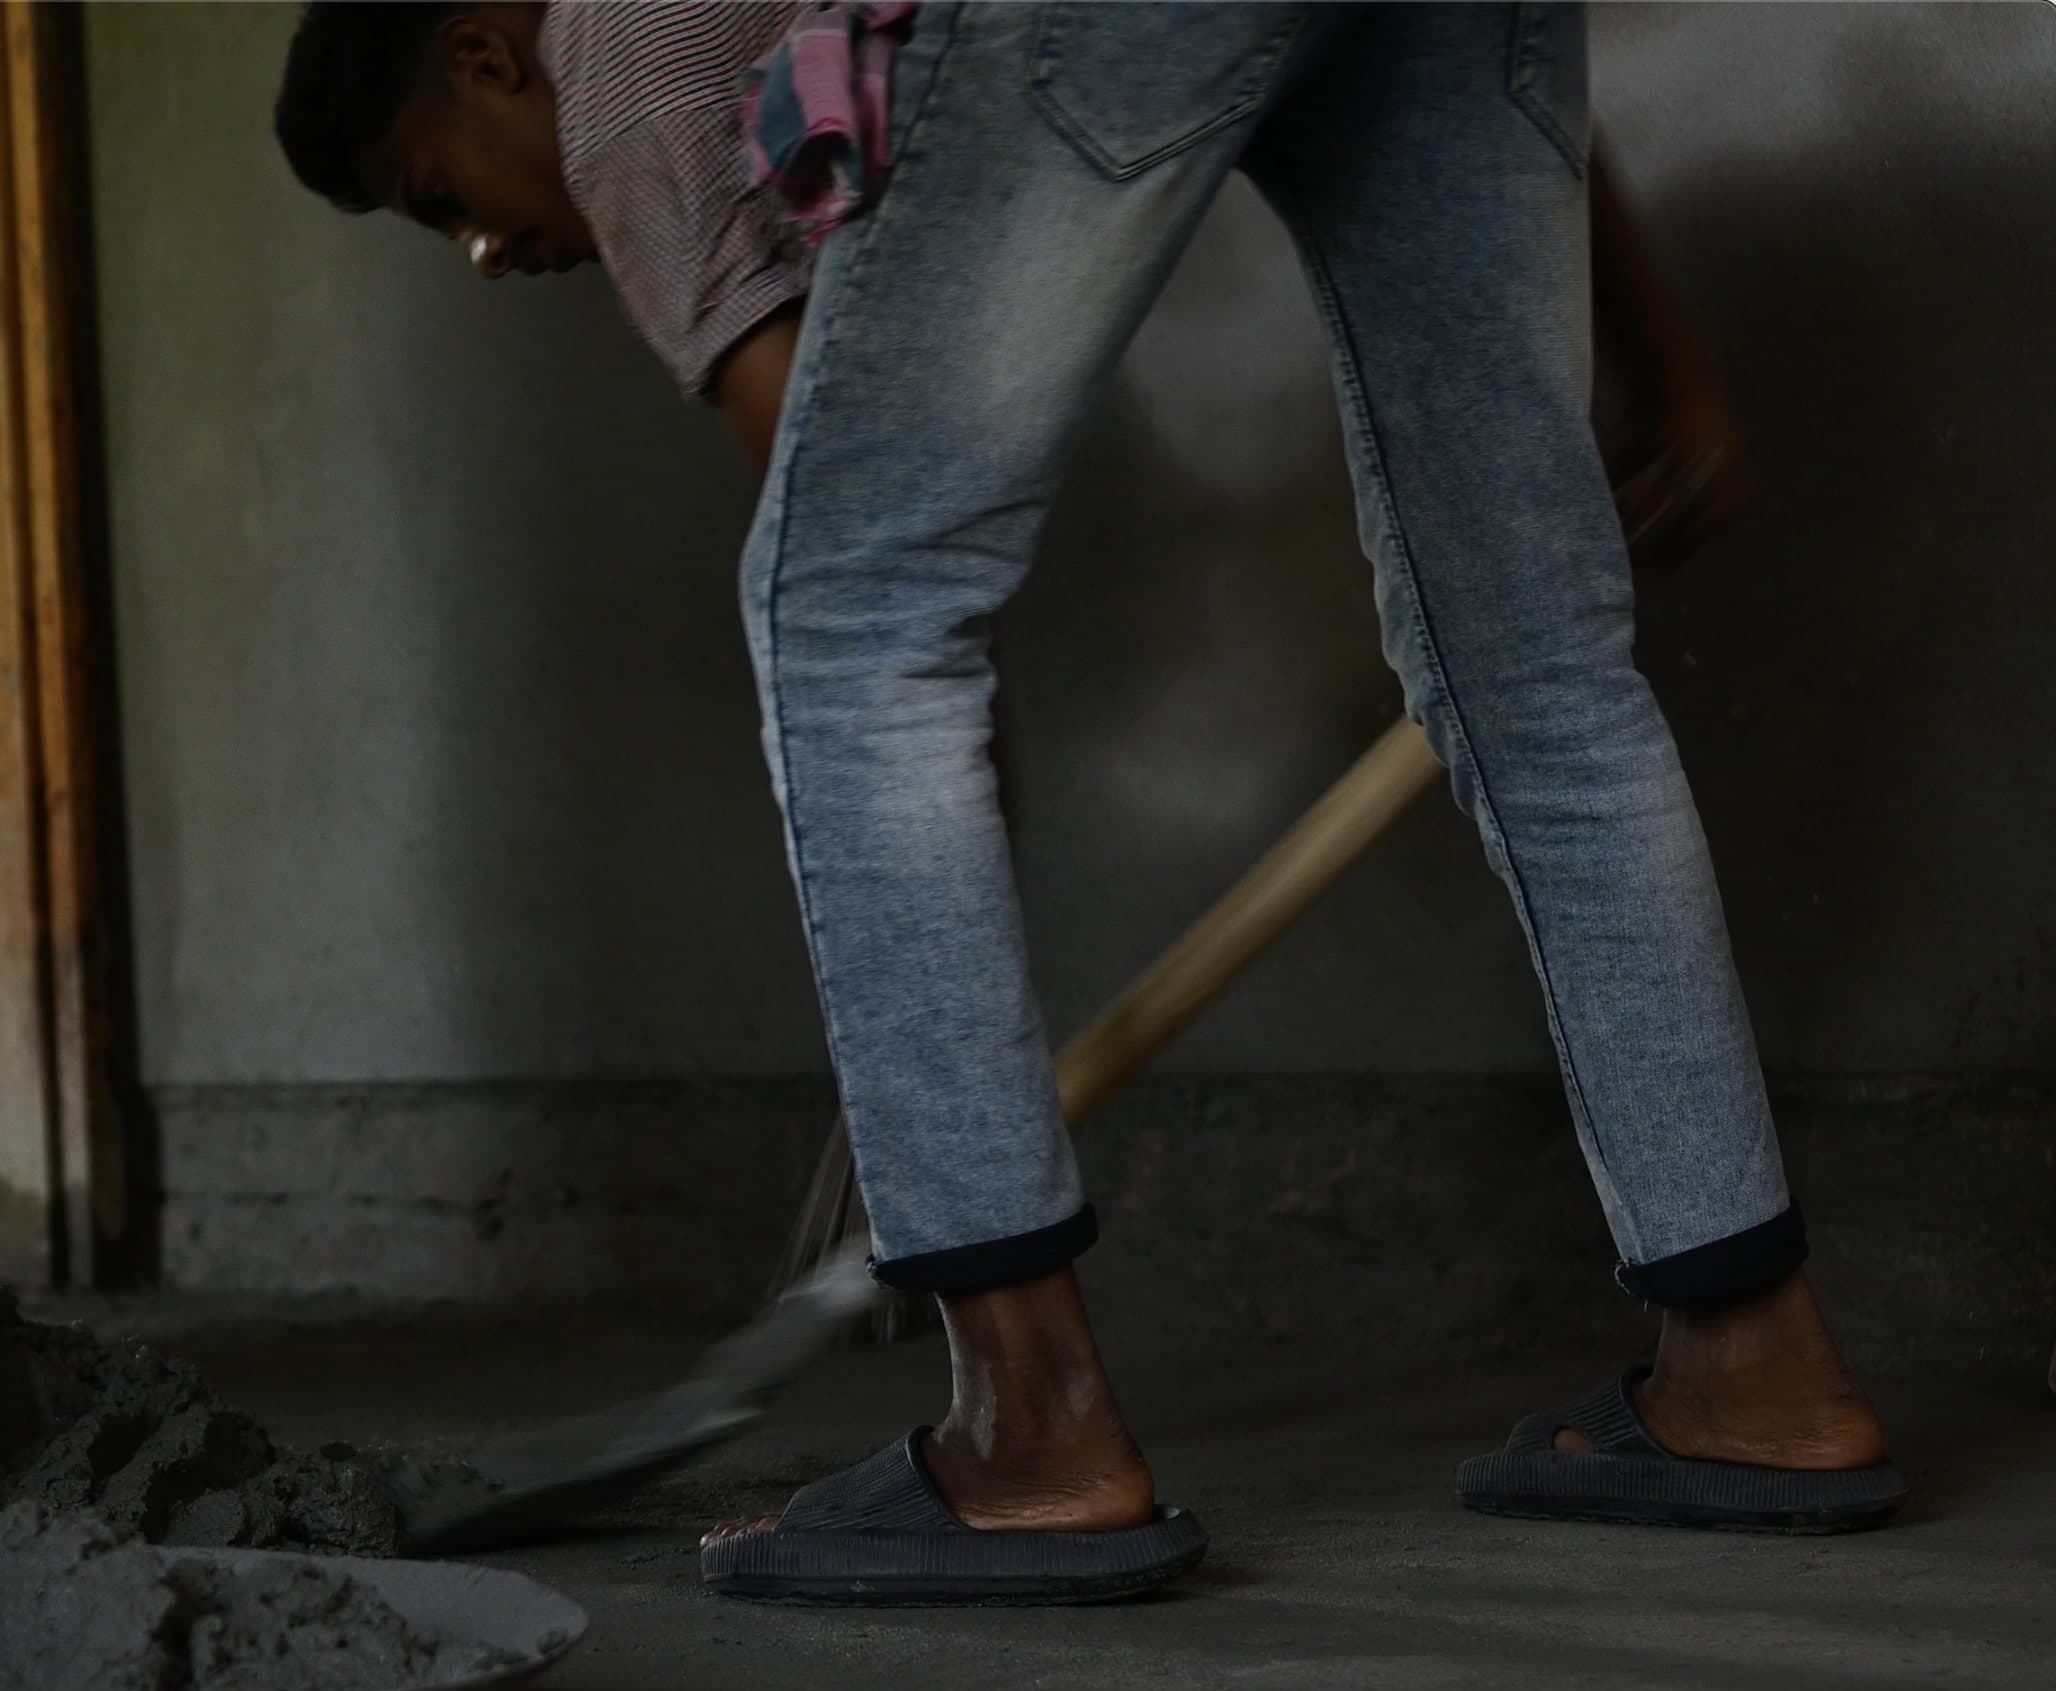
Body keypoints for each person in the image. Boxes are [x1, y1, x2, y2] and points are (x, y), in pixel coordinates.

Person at [275, 1, 1895, 1604]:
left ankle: (1030, 1427)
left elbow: (875, 598)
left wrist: (926, 1120)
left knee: (845, 611)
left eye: (440, 199)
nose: (485, 251)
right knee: (1535, 652)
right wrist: (1661, 357)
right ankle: (1758, 1365)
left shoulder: (608, 64)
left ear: (487, 52)